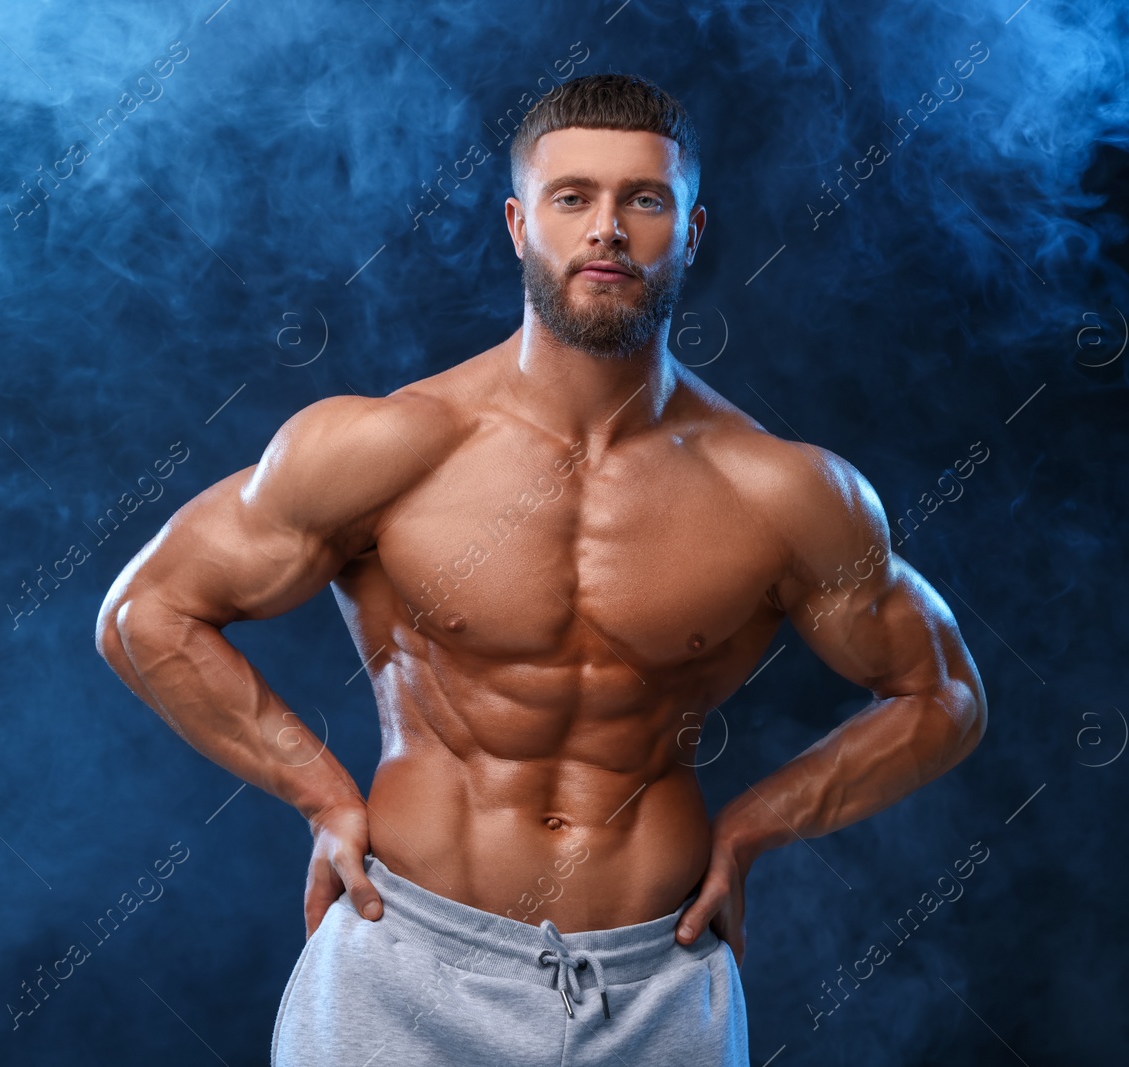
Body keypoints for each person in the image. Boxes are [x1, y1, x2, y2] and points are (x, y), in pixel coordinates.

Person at [95, 72, 986, 1066]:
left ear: (690, 232)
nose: (607, 228)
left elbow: (940, 691)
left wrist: (749, 828)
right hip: (404, 969)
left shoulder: (779, 490)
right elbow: (148, 610)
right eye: (574, 198)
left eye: (643, 200)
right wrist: (320, 793)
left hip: (654, 980)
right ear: (520, 224)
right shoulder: (391, 446)